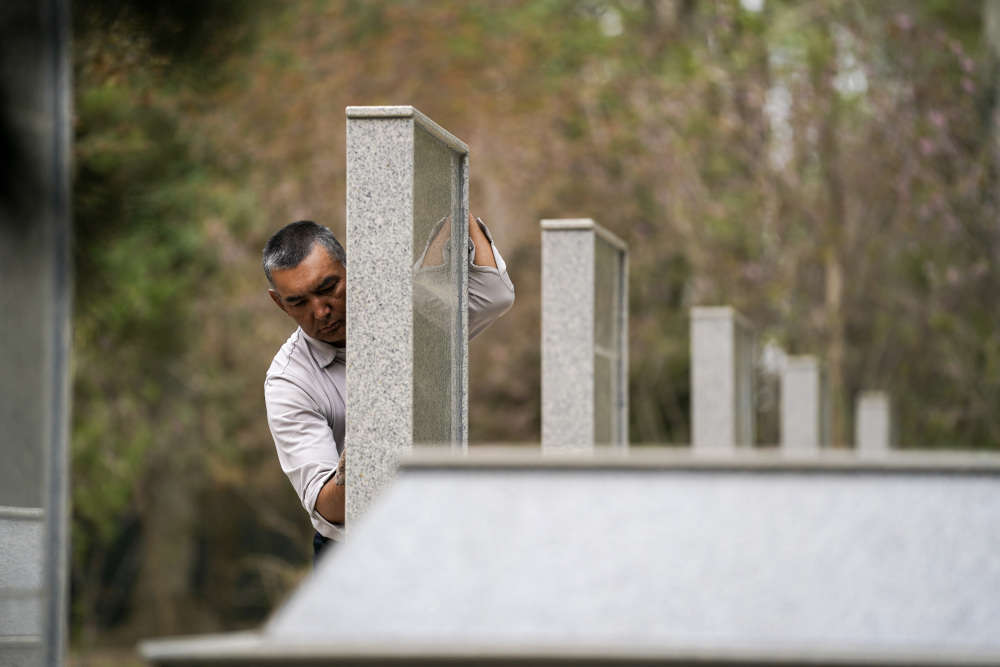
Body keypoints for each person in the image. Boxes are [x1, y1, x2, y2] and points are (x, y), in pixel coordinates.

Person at [262, 212, 514, 561]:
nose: (320, 311)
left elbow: (495, 295)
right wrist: (362, 459)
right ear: (279, 303)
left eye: (328, 288)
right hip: (355, 553)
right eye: (299, 302)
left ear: (350, 270)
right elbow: (328, 507)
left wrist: (452, 203)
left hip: (439, 530)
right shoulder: (288, 381)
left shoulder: (401, 314)